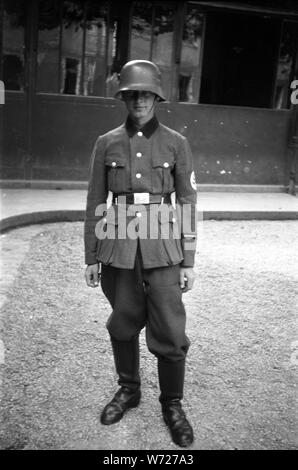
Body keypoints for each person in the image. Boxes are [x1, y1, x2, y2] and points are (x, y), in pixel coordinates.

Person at [84, 60, 197, 448]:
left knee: (169, 327)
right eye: (133, 94)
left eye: (146, 94)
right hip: (118, 244)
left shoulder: (175, 142)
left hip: (163, 247)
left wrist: (189, 260)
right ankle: (128, 390)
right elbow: (96, 200)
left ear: (157, 98)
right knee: (123, 320)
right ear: (124, 98)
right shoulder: (107, 142)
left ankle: (173, 405)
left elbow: (186, 200)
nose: (140, 101)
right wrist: (91, 256)